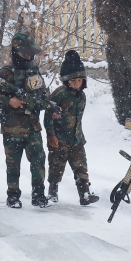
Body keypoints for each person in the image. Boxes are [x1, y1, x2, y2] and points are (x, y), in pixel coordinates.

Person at [0, 32, 57, 209]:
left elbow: (42, 95)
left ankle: (38, 196)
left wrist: (50, 106)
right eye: (25, 54)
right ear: (16, 52)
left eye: (31, 54)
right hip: (12, 128)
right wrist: (9, 101)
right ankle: (13, 196)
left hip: (32, 126)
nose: (29, 57)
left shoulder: (34, 71)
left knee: (38, 161)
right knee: (13, 165)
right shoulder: (6, 72)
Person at [45, 50, 99, 206]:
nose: (76, 84)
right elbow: (48, 116)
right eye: (73, 80)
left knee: (81, 166)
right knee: (56, 166)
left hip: (76, 139)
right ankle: (52, 192)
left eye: (80, 80)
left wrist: (79, 135)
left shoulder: (82, 97)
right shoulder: (59, 95)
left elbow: (78, 118)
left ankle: (85, 194)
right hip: (60, 139)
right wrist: (51, 134)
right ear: (66, 80)